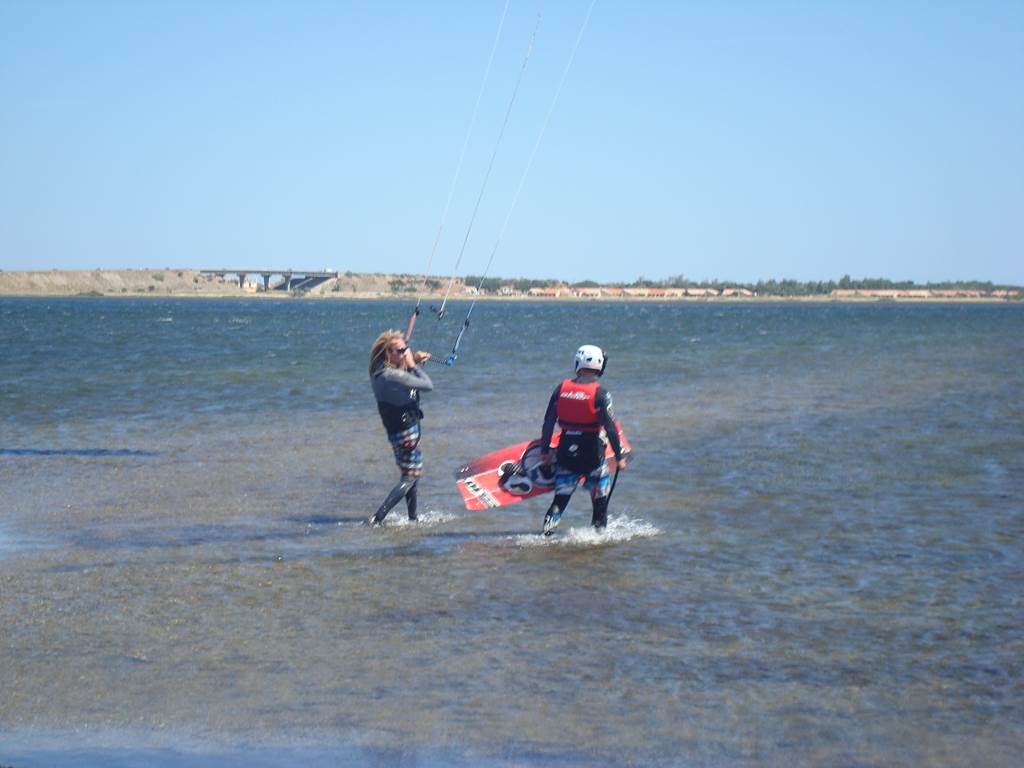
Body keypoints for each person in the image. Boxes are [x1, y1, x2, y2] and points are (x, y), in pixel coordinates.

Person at [539, 344, 628, 535]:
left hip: (566, 454)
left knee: (560, 501)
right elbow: (611, 428)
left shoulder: (561, 389)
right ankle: (597, 541)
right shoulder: (601, 394)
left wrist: (545, 452)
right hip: (593, 457)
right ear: (600, 366)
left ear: (578, 363)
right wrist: (619, 457)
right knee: (599, 504)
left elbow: (548, 423)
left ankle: (546, 536)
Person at [368, 330, 433, 525]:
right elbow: (427, 385)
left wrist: (411, 359)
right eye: (399, 350)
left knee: (411, 474)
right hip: (407, 432)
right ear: (387, 353)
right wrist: (414, 365)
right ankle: (378, 517)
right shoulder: (392, 375)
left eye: (405, 348)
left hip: (397, 431)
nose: (404, 352)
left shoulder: (378, 371)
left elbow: (399, 374)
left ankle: (413, 518)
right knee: (410, 477)